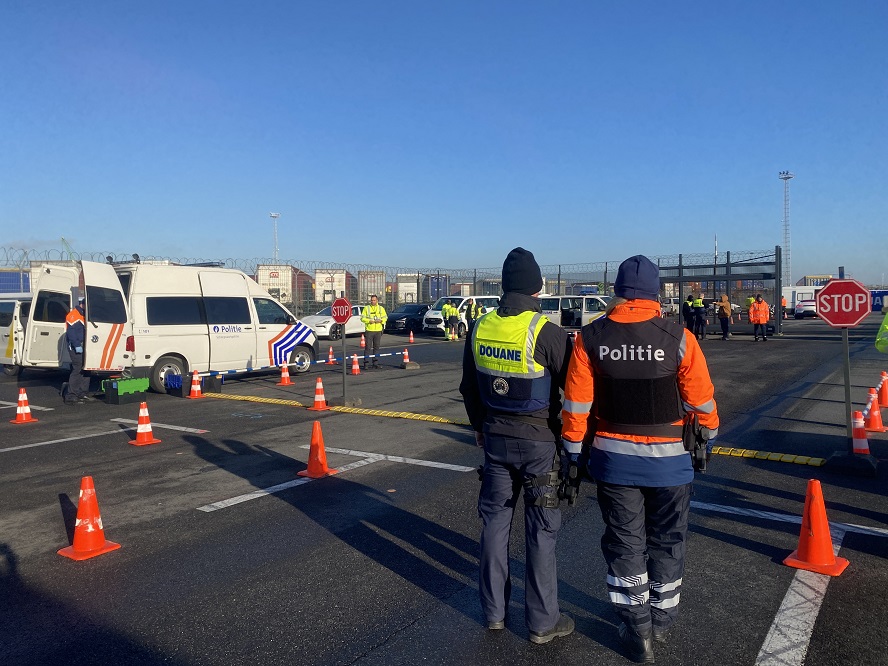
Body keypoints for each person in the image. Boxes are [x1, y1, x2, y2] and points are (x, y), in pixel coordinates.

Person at [560, 255, 718, 664]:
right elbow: (701, 401)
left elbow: (577, 405)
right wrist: (710, 436)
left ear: (616, 291)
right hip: (672, 463)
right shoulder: (680, 336)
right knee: (667, 540)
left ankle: (637, 629)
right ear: (655, 293)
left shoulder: (590, 338)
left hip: (614, 462)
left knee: (626, 543)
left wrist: (573, 454)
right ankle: (662, 620)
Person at [459, 247, 574, 644]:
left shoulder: (479, 327)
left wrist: (478, 427)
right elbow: (573, 388)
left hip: (494, 439)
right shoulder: (546, 331)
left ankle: (493, 612)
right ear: (537, 287)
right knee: (541, 530)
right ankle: (543, 623)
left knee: (494, 522)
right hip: (539, 442)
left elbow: (468, 386)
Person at [64, 296, 90, 404]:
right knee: (77, 369)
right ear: (83, 304)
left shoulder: (84, 315)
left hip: (85, 346)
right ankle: (71, 395)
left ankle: (82, 392)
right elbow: (71, 333)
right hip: (76, 347)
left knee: (87, 369)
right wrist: (76, 345)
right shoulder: (73, 315)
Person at [360, 294, 387, 368]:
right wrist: (369, 321)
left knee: (376, 347)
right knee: (367, 347)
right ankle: (366, 364)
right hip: (369, 330)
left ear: (377, 300)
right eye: (371, 300)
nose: (373, 301)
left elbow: (385, 317)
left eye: (374, 300)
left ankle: (375, 363)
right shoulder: (366, 308)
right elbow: (362, 318)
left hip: (378, 330)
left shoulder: (381, 308)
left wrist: (381, 320)